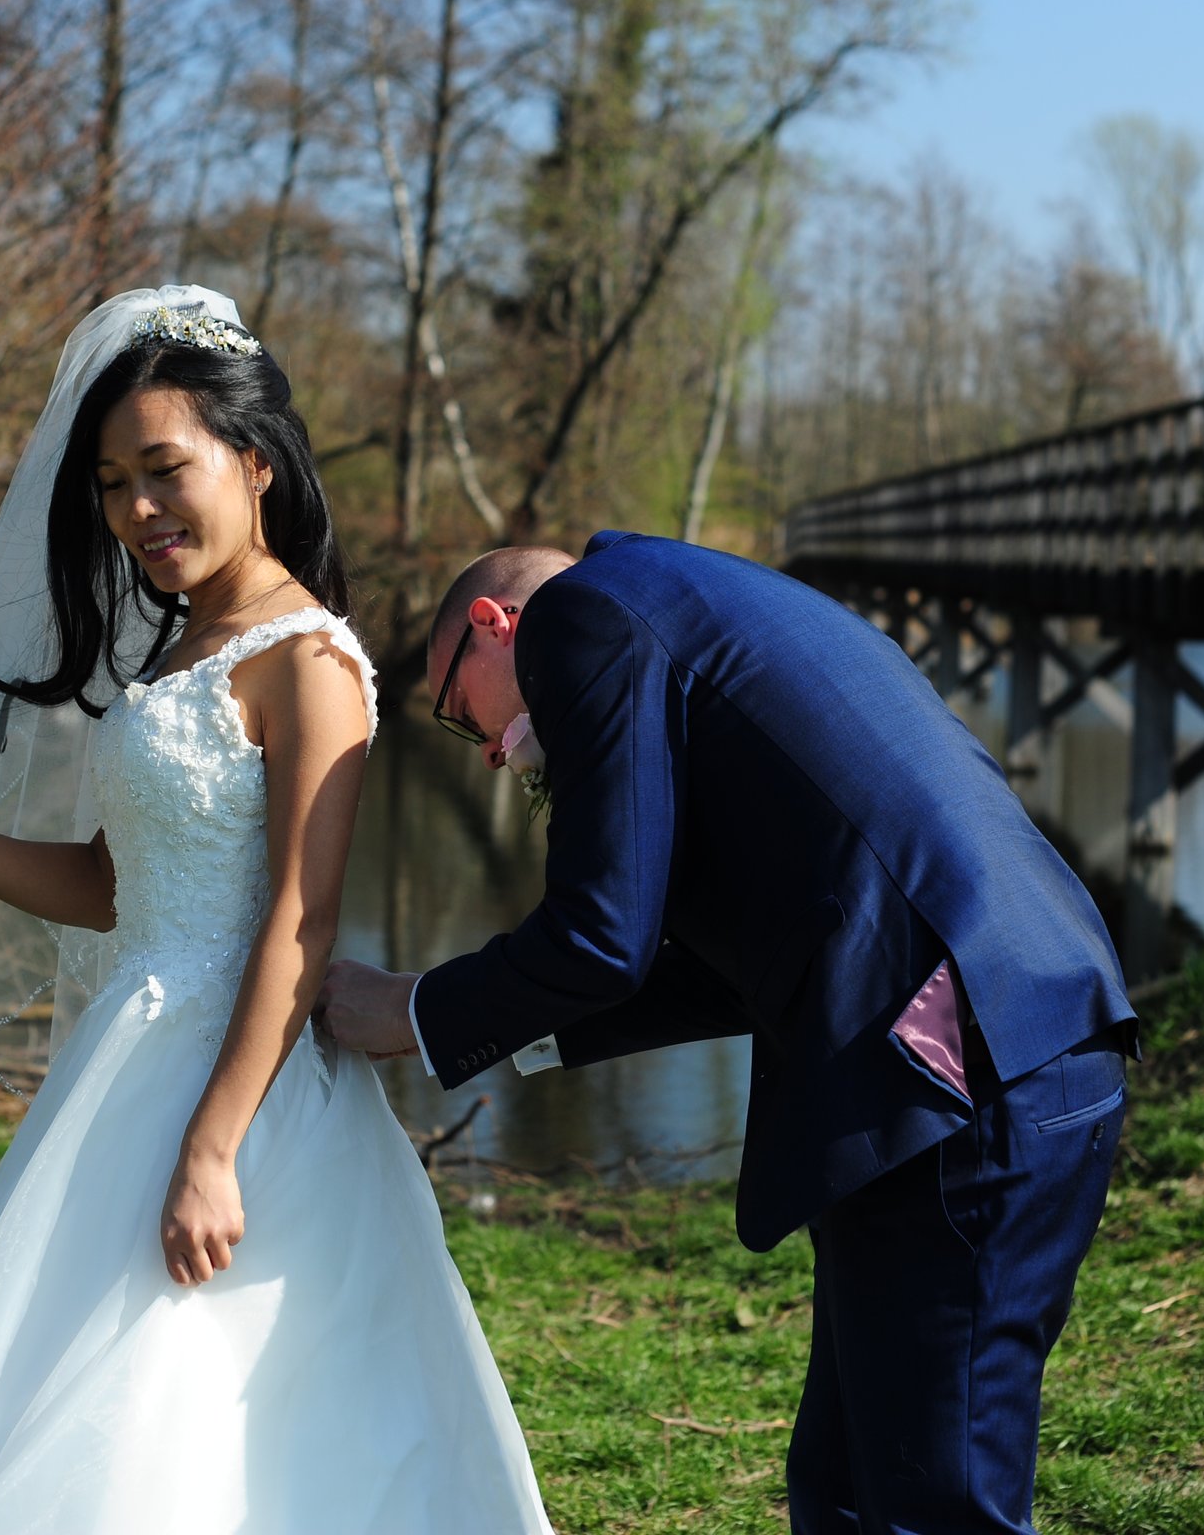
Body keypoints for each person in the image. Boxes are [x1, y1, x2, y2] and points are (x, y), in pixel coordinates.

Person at [0, 287, 550, 1534]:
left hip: (247, 1087)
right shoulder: (171, 653)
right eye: (112, 484)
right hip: (130, 1051)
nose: (137, 510)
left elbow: (301, 925)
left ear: (254, 463)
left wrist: (212, 1146)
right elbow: (115, 882)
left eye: (166, 469)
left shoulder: (311, 659)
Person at [321, 531, 1137, 1535]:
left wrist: (413, 1011)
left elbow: (599, 933)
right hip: (996, 1043)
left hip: (958, 1074)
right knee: (842, 1484)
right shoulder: (694, 601)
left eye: (462, 713)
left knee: (931, 1506)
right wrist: (513, 1029)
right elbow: (729, 961)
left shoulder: (583, 614)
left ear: (494, 625)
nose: (491, 749)